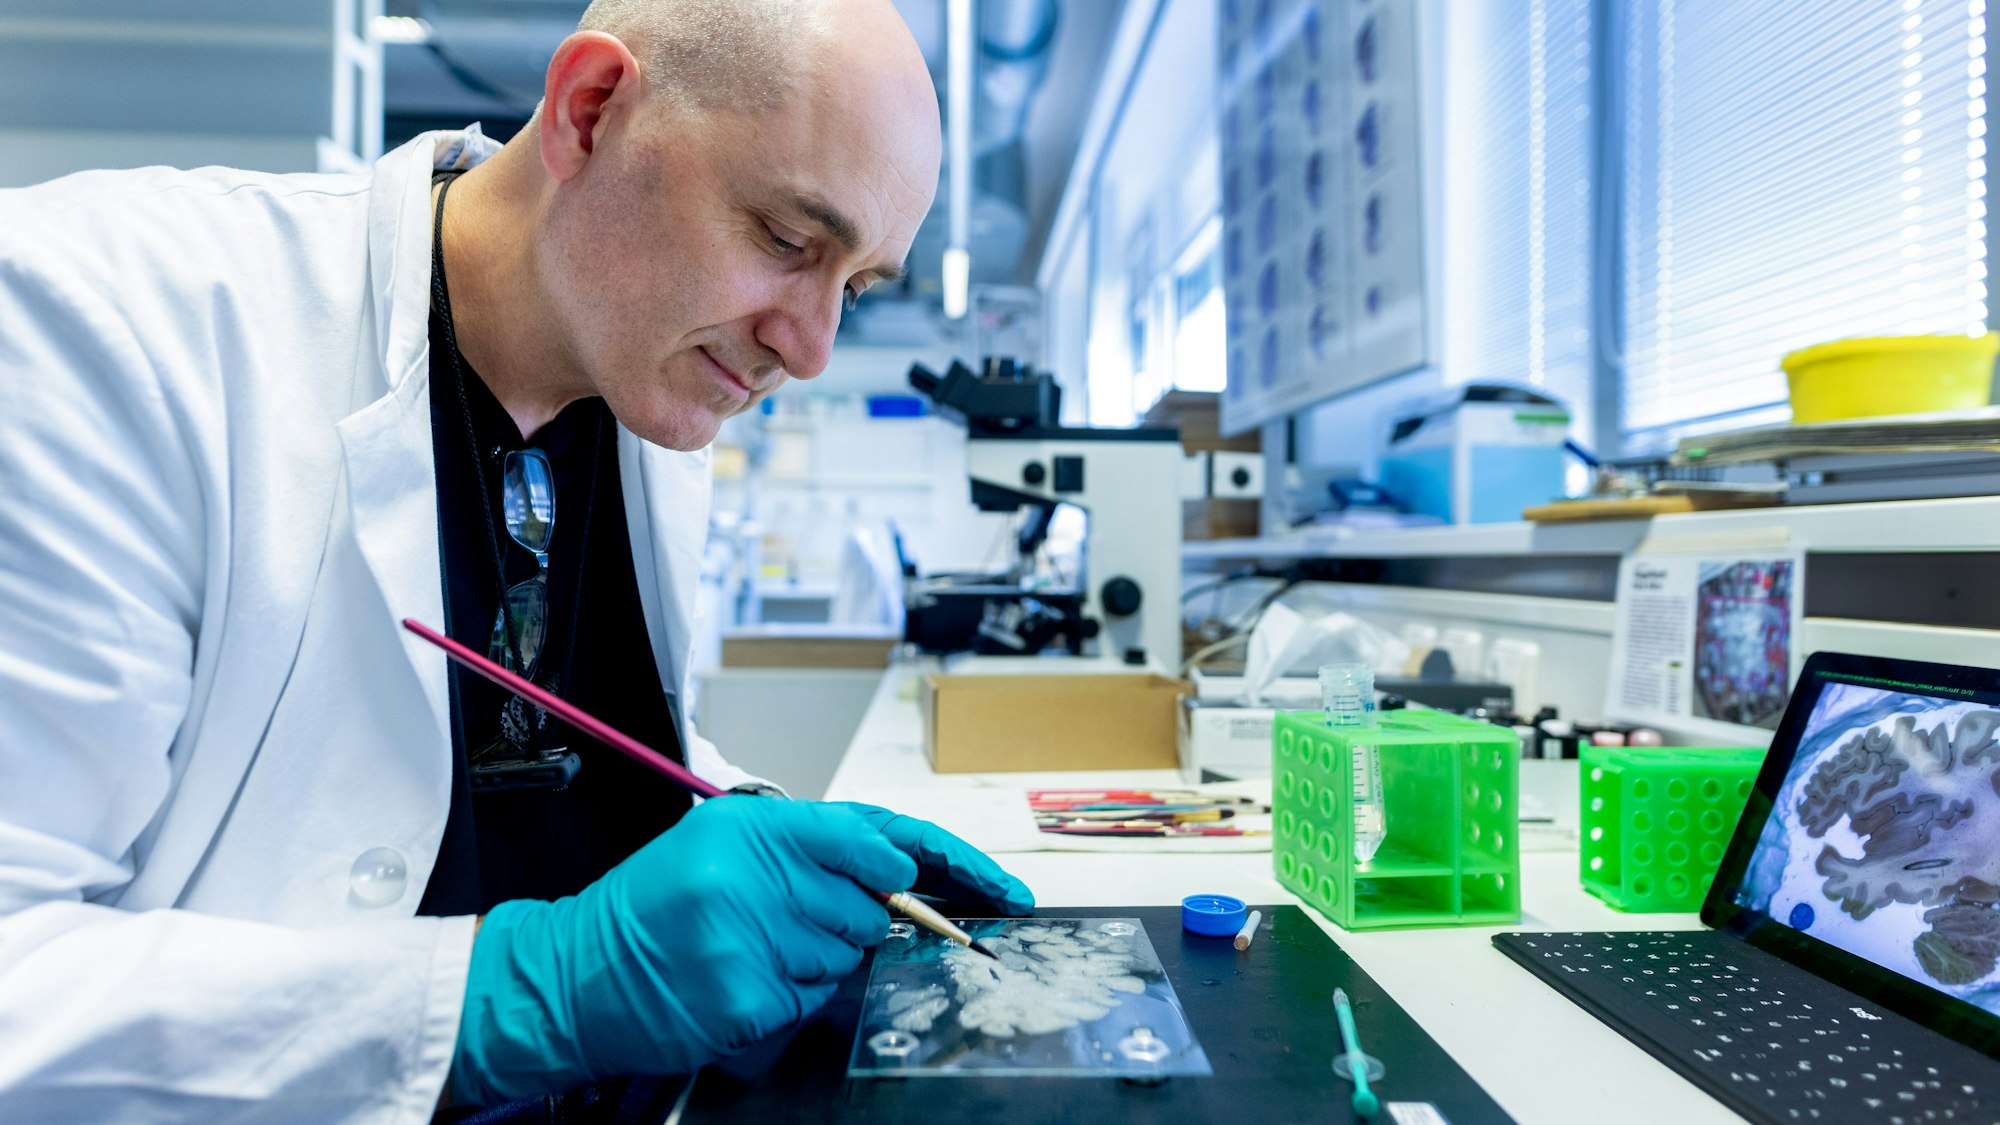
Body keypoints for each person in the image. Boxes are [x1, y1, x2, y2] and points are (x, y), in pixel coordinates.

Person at [0, 0, 1031, 1119]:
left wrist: (763, 829)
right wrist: (522, 995)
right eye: (786, 241)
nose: (813, 345)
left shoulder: (648, 374)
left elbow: (534, 746)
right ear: (590, 113)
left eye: (857, 285)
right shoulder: (96, 325)